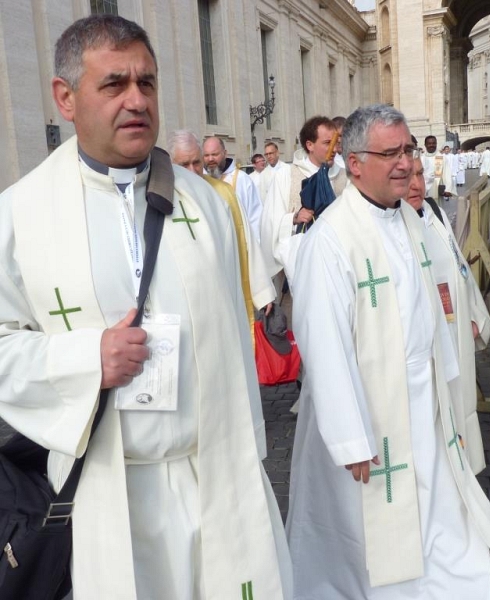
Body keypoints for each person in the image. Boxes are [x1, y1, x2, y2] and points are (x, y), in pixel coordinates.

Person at [0, 15, 291, 600]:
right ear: (65, 97)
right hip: (106, 496)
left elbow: (235, 337)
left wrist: (251, 456)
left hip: (213, 473)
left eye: (147, 83)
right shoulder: (20, 215)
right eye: (114, 85)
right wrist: (88, 359)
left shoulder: (205, 204)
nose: (136, 100)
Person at [286, 104, 490, 599]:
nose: (407, 162)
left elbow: (431, 304)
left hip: (423, 398)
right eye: (392, 153)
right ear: (355, 162)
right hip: (368, 412)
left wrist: (449, 387)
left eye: (408, 149)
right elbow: (323, 343)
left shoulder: (409, 218)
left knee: (436, 510)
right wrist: (349, 437)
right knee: (367, 534)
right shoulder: (332, 237)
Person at [406, 156, 490, 474]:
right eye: (407, 177)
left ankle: (463, 473)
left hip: (455, 332)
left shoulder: (434, 212)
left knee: (459, 403)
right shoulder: (395, 225)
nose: (416, 184)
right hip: (425, 346)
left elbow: (460, 269)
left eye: (419, 174)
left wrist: (473, 313)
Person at [168, 129, 275, 335]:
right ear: (171, 163)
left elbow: (247, 241)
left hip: (225, 286)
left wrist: (262, 290)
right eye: (183, 165)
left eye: (196, 162)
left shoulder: (223, 193)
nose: (192, 171)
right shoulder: (163, 196)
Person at [260, 115, 347, 292]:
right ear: (310, 145)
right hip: (304, 268)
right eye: (327, 143)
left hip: (341, 265)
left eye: (335, 142)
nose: (334, 149)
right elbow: (269, 223)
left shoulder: (345, 177)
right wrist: (293, 218)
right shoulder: (286, 176)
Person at [203, 136, 263, 241]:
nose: (210, 159)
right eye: (206, 155)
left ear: (225, 153)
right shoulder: (200, 180)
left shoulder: (242, 180)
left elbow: (255, 218)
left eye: (215, 154)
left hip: (238, 242)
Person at [421, 134, 445, 200]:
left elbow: (447, 174)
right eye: (429, 143)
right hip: (423, 188)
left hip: (437, 188)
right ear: (425, 145)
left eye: (434, 143)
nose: (431, 145)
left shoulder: (441, 157)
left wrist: (448, 189)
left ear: (436, 144)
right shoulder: (421, 158)